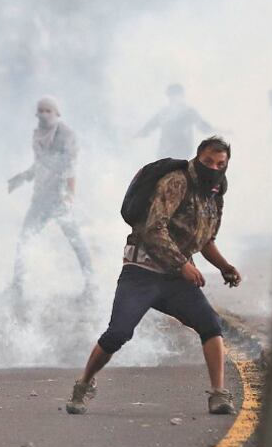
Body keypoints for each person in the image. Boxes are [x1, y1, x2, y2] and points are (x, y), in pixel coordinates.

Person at [66, 136, 242, 416]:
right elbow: (153, 229)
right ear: (197, 157)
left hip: (175, 280)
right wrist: (182, 264)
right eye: (208, 161)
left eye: (220, 164)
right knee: (118, 333)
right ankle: (84, 384)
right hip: (142, 272)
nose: (214, 167)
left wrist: (224, 266)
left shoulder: (215, 193)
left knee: (210, 325)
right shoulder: (177, 182)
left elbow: (205, 240)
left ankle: (219, 394)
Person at [8, 96, 94, 297]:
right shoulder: (38, 134)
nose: (44, 114)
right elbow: (39, 163)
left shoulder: (66, 135)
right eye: (41, 110)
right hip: (40, 198)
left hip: (60, 198)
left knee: (76, 241)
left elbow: (70, 167)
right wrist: (23, 177)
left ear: (57, 113)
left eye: (49, 110)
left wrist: (69, 195)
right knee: (24, 240)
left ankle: (91, 284)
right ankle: (17, 286)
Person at [137, 83, 215, 159]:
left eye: (176, 95)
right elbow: (149, 127)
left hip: (182, 151)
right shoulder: (164, 113)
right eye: (171, 96)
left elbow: (203, 126)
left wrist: (220, 131)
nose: (173, 98)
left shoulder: (189, 112)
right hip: (165, 152)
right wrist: (135, 136)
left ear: (182, 96)